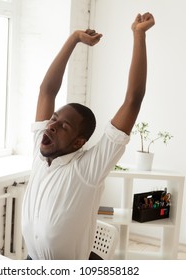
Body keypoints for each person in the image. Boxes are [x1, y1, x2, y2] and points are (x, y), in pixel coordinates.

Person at [21, 12, 155, 260]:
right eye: (53, 119)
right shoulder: (40, 151)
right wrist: (73, 39)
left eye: (64, 127)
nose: (51, 126)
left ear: (79, 142)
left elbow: (133, 100)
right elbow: (46, 90)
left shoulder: (88, 168)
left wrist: (139, 35)